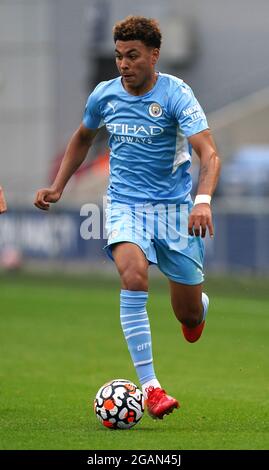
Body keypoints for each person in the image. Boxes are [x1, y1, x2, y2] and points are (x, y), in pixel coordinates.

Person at [34, 16, 221, 420]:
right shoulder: (104, 95)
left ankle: (198, 309)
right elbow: (83, 137)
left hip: (174, 213)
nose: (123, 64)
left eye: (132, 55)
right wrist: (58, 185)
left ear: (154, 55)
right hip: (124, 206)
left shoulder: (177, 94)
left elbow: (209, 152)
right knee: (133, 275)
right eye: (119, 56)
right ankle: (151, 387)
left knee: (188, 317)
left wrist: (202, 200)